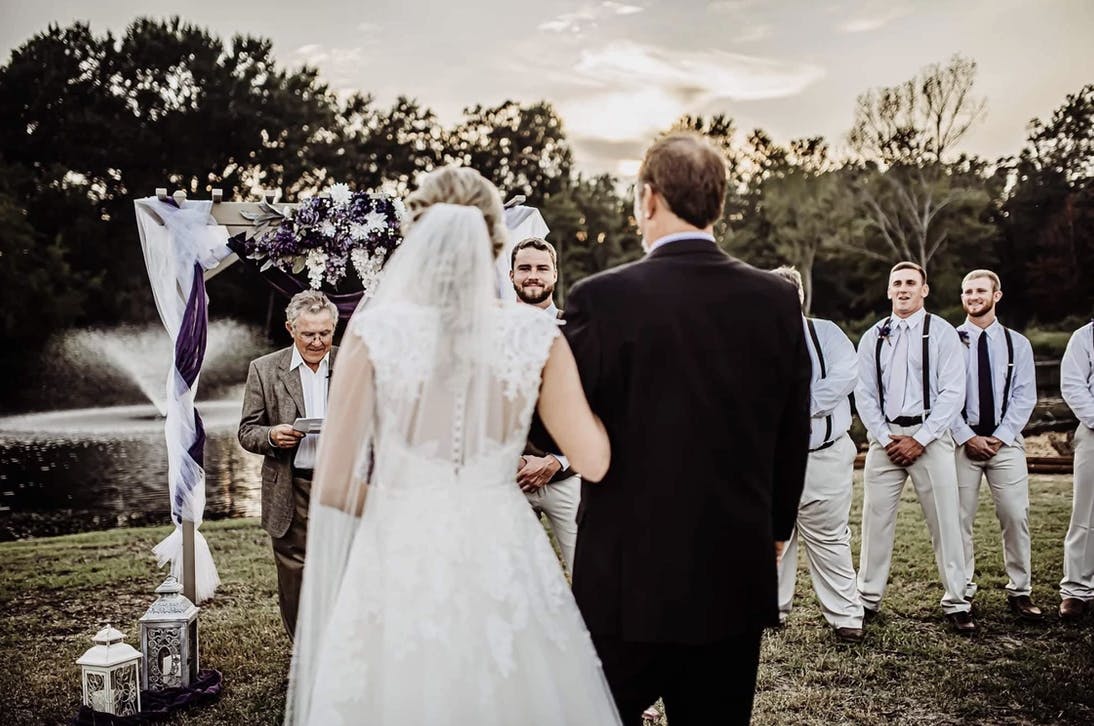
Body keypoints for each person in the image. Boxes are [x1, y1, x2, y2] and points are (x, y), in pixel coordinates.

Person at [285, 167, 622, 725]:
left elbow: (337, 485)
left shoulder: (373, 336)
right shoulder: (535, 335)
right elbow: (592, 460)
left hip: (398, 555)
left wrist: (409, 506)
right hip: (504, 551)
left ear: (415, 239)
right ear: (496, 240)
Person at [563, 132, 811, 726]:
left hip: (626, 573)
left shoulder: (601, 298)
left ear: (648, 200)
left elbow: (559, 428)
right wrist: (775, 529)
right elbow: (791, 426)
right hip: (733, 563)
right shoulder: (776, 299)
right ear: (718, 204)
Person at [855, 262, 975, 633]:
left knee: (946, 520)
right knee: (875, 520)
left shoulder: (941, 333)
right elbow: (865, 392)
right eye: (897, 284)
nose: (903, 289)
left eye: (911, 283)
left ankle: (957, 601)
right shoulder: (873, 336)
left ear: (925, 290)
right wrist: (881, 434)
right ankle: (867, 598)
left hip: (931, 437)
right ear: (889, 291)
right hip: (886, 439)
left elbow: (953, 392)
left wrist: (920, 438)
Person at [771, 266, 865, 643]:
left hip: (824, 454)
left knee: (828, 535)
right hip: (772, 459)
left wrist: (796, 407)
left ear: (799, 296)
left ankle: (846, 614)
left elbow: (844, 378)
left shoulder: (827, 333)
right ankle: (772, 609)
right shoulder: (751, 338)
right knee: (774, 534)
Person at [238, 289, 338, 639]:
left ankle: (340, 643)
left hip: (341, 484)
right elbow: (247, 432)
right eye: (308, 333)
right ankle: (301, 647)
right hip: (291, 483)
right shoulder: (264, 370)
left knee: (343, 564)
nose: (317, 341)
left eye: (324, 333)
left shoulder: (352, 363)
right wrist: (272, 436)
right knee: (295, 568)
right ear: (290, 328)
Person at [951, 270, 1042, 620]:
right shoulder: (949, 340)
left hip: (1006, 444)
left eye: (980, 290)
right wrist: (966, 436)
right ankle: (962, 593)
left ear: (996, 295)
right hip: (961, 442)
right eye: (967, 291)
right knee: (958, 519)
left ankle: (1020, 591)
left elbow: (1024, 396)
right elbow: (943, 395)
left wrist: (1000, 438)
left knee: (1015, 515)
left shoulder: (1017, 344)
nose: (973, 297)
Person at [510, 236, 581, 572]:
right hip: (506, 480)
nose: (533, 275)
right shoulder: (490, 332)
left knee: (590, 577)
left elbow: (596, 405)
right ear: (511, 275)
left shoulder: (580, 331)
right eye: (524, 268)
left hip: (568, 477)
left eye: (541, 268)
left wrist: (558, 460)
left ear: (555, 275)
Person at [1059, 318, 1094, 621]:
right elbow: (1072, 384)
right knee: (1086, 514)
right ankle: (1077, 590)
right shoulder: (1084, 337)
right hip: (1093, 431)